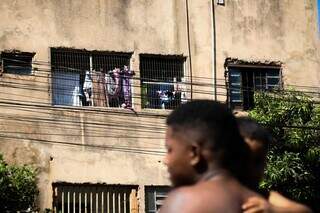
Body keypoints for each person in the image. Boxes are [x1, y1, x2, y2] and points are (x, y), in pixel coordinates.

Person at [160, 100, 264, 213]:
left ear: (194, 153)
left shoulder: (185, 201)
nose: (166, 160)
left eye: (170, 150)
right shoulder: (262, 204)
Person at [237, 117, 313, 213]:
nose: (250, 168)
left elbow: (304, 211)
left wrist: (272, 209)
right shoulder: (214, 196)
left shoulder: (264, 197)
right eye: (242, 159)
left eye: (257, 161)